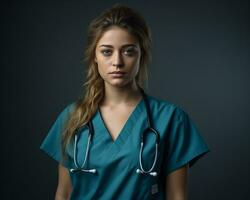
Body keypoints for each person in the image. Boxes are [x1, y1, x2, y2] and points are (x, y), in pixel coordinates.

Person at [40, 3, 210, 200]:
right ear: (94, 56)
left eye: (128, 51)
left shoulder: (171, 120)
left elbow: (177, 196)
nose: (117, 62)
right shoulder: (72, 117)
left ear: (142, 55)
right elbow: (64, 193)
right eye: (106, 51)